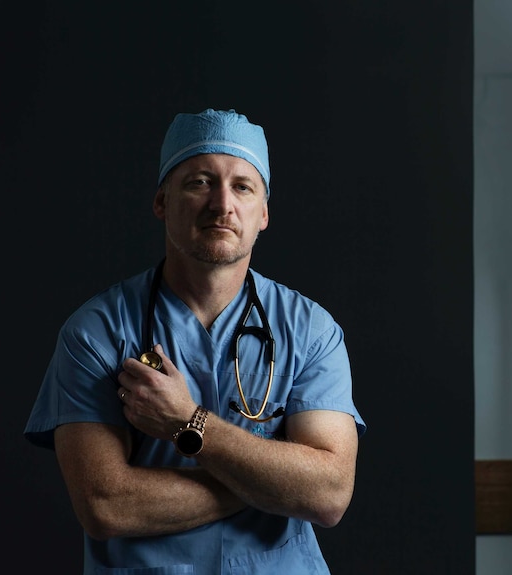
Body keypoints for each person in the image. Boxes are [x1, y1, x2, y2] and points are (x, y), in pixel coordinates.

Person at [24, 108, 366, 574]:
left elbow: (327, 496)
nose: (222, 204)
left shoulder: (310, 330)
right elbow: (105, 506)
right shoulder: (97, 332)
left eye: (242, 186)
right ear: (162, 201)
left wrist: (189, 421)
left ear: (263, 213)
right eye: (200, 182)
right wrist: (269, 482)